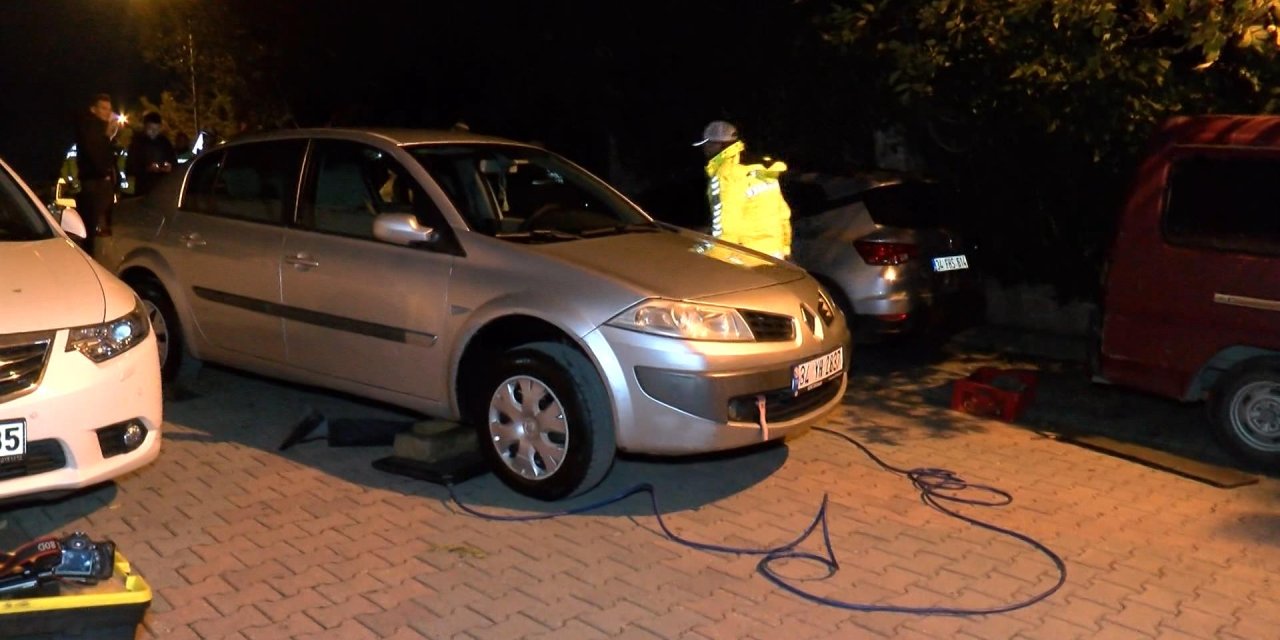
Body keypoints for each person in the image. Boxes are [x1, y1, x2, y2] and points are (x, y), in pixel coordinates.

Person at [694, 120, 793, 260]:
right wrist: (785, 248)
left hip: (745, 256)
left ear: (719, 145)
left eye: (707, 144)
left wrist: (708, 257)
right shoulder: (760, 168)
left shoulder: (727, 173)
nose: (705, 149)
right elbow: (782, 213)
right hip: (774, 254)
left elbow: (726, 227)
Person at [73, 93, 120, 252]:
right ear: (93, 109)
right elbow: (97, 157)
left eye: (109, 109)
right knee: (94, 229)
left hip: (101, 184)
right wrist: (107, 136)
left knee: (99, 228)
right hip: (95, 186)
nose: (107, 112)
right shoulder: (91, 128)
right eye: (103, 108)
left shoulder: (98, 129)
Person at [126, 112, 177, 197]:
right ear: (145, 127)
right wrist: (147, 168)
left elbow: (174, 161)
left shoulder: (165, 143)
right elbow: (130, 168)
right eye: (151, 129)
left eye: (156, 129)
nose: (154, 132)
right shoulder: (137, 144)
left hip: (162, 187)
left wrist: (170, 167)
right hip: (144, 188)